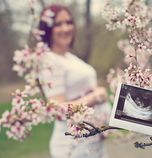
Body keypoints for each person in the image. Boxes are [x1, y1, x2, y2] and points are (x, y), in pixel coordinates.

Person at [38, 4, 110, 158]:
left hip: (94, 140)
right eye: (58, 24)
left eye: (69, 22)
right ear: (47, 28)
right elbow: (58, 110)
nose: (66, 28)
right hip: (72, 146)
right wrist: (96, 97)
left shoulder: (71, 58)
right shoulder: (49, 60)